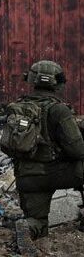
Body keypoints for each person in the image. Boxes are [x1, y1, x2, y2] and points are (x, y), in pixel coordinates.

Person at [7, 60, 84, 239]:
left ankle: (28, 229)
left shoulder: (18, 108)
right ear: (57, 83)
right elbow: (78, 150)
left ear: (31, 80)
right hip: (56, 173)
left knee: (37, 222)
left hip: (26, 177)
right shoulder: (59, 110)